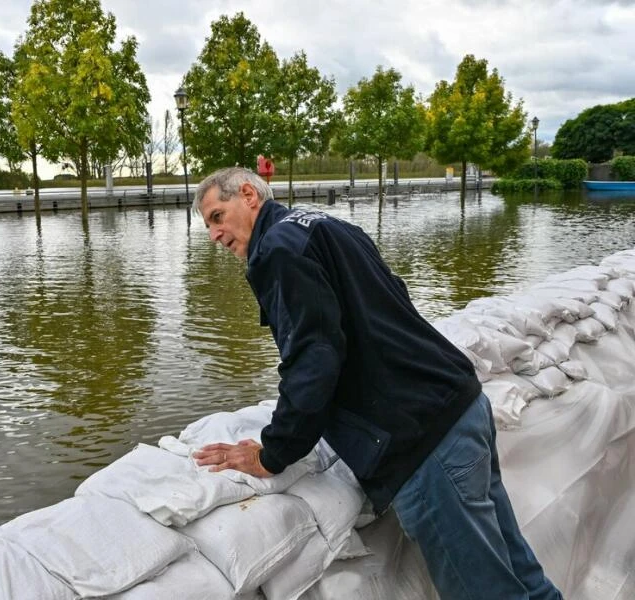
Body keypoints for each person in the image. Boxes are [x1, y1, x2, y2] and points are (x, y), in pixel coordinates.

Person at [191, 167, 562, 600]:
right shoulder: (325, 224)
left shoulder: (276, 250)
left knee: (484, 591)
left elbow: (312, 359)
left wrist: (274, 453)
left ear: (249, 194)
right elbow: (395, 296)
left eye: (217, 216)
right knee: (519, 570)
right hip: (458, 405)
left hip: (421, 439)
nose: (215, 235)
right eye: (208, 226)